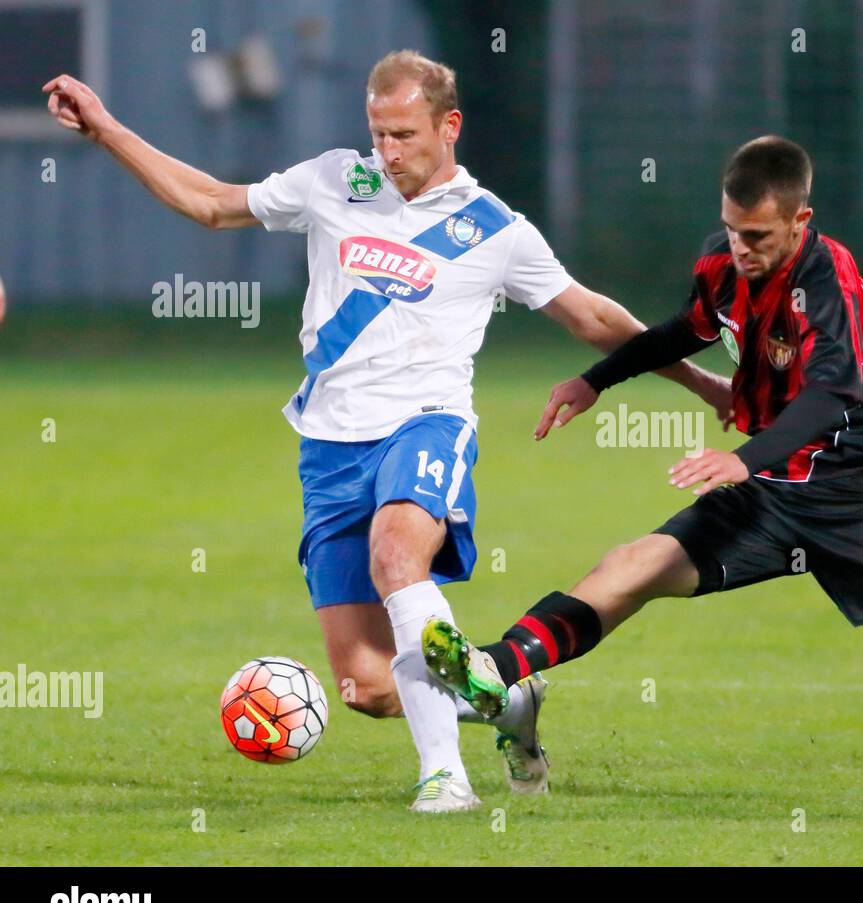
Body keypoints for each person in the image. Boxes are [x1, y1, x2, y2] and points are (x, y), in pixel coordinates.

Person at [42, 51, 730, 813]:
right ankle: (504, 701)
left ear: (449, 125)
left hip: (427, 425)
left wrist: (700, 382)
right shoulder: (337, 179)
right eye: (378, 133)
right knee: (367, 686)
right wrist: (106, 130)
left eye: (404, 133)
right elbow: (211, 203)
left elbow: (594, 317)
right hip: (330, 447)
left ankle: (446, 781)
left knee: (397, 554)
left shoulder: (493, 227)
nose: (388, 151)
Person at [423, 135, 863, 815]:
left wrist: (739, 459)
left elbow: (831, 395)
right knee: (633, 565)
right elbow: (683, 330)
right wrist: (595, 380)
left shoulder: (828, 281)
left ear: (800, 221)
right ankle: (496, 668)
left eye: (757, 235)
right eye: (731, 229)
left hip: (858, 489)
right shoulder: (724, 262)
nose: (741, 247)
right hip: (772, 489)